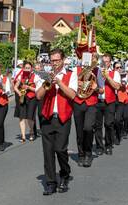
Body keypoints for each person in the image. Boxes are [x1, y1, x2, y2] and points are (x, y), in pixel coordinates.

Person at [36, 48, 78, 195]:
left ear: (63, 60)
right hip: (47, 117)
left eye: (57, 60)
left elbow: (72, 95)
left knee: (60, 149)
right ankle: (51, 182)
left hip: (63, 117)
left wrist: (59, 82)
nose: (54, 63)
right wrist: (46, 83)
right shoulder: (45, 75)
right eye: (52, 60)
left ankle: (65, 174)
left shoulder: (71, 75)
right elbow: (38, 96)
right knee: (48, 152)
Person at [73, 53, 99, 167]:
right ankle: (81, 154)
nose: (91, 60)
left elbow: (101, 90)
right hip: (78, 102)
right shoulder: (76, 70)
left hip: (91, 103)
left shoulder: (98, 71)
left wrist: (96, 88)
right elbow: (70, 86)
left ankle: (88, 153)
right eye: (89, 58)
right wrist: (76, 84)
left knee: (88, 128)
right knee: (79, 131)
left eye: (93, 58)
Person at [94, 53, 121, 156]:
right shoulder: (96, 71)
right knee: (97, 126)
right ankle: (99, 146)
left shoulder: (115, 73)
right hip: (98, 101)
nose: (105, 63)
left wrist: (108, 77)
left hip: (110, 102)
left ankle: (109, 145)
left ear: (110, 63)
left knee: (109, 124)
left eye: (107, 61)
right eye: (103, 61)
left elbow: (117, 87)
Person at [14, 62, 41, 142]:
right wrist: (20, 93)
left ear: (31, 69)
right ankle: (23, 136)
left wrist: (28, 87)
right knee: (21, 117)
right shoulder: (21, 76)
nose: (27, 69)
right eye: (26, 67)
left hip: (32, 98)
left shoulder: (35, 76)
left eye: (29, 68)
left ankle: (32, 132)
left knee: (30, 117)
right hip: (23, 97)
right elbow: (15, 87)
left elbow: (38, 89)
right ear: (23, 68)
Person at [115, 62, 128, 144]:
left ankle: (118, 136)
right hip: (111, 99)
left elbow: (123, 84)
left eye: (120, 67)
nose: (119, 69)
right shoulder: (110, 74)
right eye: (117, 67)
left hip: (121, 100)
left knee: (118, 119)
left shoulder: (123, 75)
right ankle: (113, 134)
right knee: (111, 121)